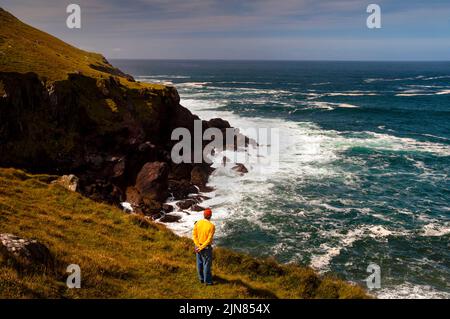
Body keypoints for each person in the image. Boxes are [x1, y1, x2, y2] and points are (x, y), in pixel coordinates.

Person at [192, 208, 215, 285]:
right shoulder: (211, 226)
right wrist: (201, 247)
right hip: (206, 248)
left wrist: (197, 246)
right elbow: (209, 240)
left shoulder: (197, 223)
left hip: (197, 246)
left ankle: (201, 279)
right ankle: (207, 281)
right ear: (210, 216)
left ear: (204, 215)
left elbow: (194, 235)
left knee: (199, 263)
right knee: (206, 264)